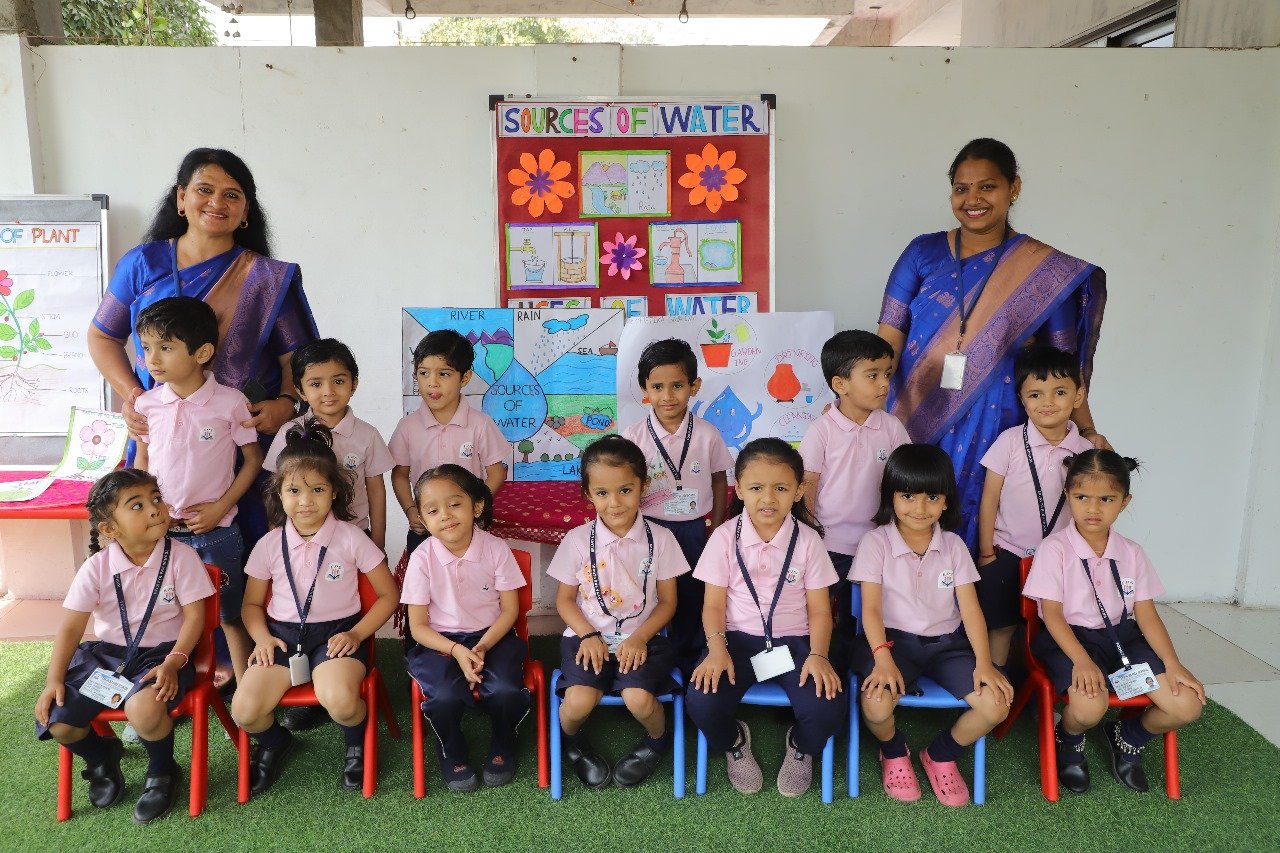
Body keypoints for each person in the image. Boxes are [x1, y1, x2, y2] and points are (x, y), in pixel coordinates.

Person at [877, 138, 1109, 550]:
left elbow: (1062, 367)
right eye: (961, 189)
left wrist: (1087, 430)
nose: (973, 199)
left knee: (985, 520)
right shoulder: (922, 252)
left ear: (1013, 188)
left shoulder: (1043, 270)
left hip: (996, 424)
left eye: (987, 187)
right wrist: (853, 407)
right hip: (915, 413)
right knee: (913, 515)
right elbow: (887, 342)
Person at [87, 147, 319, 549]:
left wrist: (286, 403)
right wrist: (135, 397)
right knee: (153, 547)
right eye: (204, 190)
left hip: (243, 436)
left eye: (232, 195)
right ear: (181, 198)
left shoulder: (265, 279)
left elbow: (300, 358)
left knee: (246, 555)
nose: (217, 202)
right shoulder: (142, 264)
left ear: (246, 212)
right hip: (160, 432)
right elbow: (102, 336)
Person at [35, 469, 214, 823]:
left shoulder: (182, 557)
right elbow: (71, 627)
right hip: (107, 658)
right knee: (59, 720)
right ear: (110, 529)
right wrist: (53, 680)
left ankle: (162, 770)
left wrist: (174, 662)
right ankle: (101, 757)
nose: (154, 508)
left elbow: (195, 619)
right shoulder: (96, 568)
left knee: (143, 708)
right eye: (137, 505)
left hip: (164, 655)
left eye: (156, 498)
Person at [230, 423, 398, 794]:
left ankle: (356, 744)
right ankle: (276, 742)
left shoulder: (352, 538)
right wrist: (262, 639)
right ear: (279, 493)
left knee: (340, 701)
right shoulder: (269, 544)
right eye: (294, 490)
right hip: (280, 638)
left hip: (338, 635)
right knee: (245, 710)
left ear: (334, 491)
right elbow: (251, 604)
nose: (306, 501)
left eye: (317, 489)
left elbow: (389, 595)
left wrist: (356, 633)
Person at [1024, 450, 1204, 794]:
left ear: (1124, 502)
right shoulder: (1054, 549)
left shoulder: (1132, 552)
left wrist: (1173, 663)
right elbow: (1052, 614)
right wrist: (1081, 661)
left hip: (1123, 639)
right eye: (1082, 497)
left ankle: (1129, 735)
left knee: (1187, 706)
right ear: (1067, 495)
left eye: (1106, 499)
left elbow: (1146, 614)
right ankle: (1069, 739)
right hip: (1070, 640)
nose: (1093, 508)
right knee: (1089, 708)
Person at [851, 444, 1013, 807]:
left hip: (947, 645)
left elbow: (971, 610)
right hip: (889, 644)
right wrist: (882, 658)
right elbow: (870, 610)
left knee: (995, 705)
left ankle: (940, 754)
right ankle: (894, 750)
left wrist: (984, 663)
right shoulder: (874, 542)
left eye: (932, 497)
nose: (920, 508)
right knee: (875, 706)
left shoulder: (953, 546)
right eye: (907, 496)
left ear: (945, 502)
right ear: (891, 496)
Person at [687, 437, 844, 798]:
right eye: (756, 487)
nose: (768, 498)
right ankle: (734, 742)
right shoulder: (724, 538)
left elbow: (821, 610)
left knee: (827, 705)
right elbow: (713, 606)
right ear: (740, 489)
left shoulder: (808, 541)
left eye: (781, 488)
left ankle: (801, 746)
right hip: (734, 642)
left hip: (795, 644)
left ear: (798, 490)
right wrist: (716, 649)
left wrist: (818, 655)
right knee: (702, 700)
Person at [133, 296, 263, 687]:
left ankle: (247, 694)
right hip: (163, 536)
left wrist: (220, 507)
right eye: (147, 348)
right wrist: (144, 516)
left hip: (217, 534)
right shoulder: (147, 405)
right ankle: (166, 688)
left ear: (202, 353)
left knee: (230, 615)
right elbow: (142, 464)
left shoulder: (230, 402)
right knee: (167, 616)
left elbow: (252, 461)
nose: (153, 359)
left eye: (165, 347)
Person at [549, 435, 690, 790]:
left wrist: (640, 637)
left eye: (625, 490)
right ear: (588, 494)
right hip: (586, 636)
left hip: (644, 637)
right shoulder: (577, 539)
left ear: (643, 486)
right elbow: (564, 601)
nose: (614, 503)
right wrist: (588, 635)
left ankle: (657, 741)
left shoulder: (662, 539)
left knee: (638, 700)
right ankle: (571, 741)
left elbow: (668, 602)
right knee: (578, 702)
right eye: (602, 493)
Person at [402, 465, 531, 792]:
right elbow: (417, 627)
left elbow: (510, 611)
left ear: (477, 506)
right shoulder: (421, 558)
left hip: (493, 636)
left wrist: (482, 647)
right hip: (439, 642)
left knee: (505, 690)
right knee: (444, 696)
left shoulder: (496, 549)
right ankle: (452, 748)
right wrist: (457, 650)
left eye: (454, 504)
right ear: (422, 519)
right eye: (433, 510)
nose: (445, 515)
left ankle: (504, 740)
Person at [975, 346, 1095, 667]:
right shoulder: (1010, 441)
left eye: (1060, 392)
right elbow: (989, 499)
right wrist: (986, 552)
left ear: (1078, 396)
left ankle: (1047, 681)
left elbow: (1091, 509)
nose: (1048, 402)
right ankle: (997, 681)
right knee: (1002, 625)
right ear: (1022, 399)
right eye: (1035, 394)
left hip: (1061, 559)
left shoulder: (1086, 453)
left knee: (1058, 624)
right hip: (1008, 551)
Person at [799, 330, 910, 664]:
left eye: (887, 374)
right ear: (840, 384)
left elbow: (905, 480)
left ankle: (859, 672)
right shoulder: (821, 430)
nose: (884, 384)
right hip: (829, 543)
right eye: (872, 375)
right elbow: (808, 485)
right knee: (818, 612)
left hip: (878, 543)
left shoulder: (892, 428)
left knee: (864, 615)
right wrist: (809, 535)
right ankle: (819, 669)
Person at [622, 337, 731, 674]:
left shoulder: (708, 434)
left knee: (691, 594)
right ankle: (648, 654)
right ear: (645, 389)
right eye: (657, 387)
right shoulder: (633, 437)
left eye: (677, 385)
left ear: (694, 386)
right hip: (649, 529)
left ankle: (690, 659)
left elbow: (719, 480)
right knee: (648, 593)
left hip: (694, 530)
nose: (667, 395)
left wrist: (716, 527)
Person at [390, 330, 508, 559]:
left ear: (465, 377)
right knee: (424, 579)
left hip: (468, 528)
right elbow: (400, 475)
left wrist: (476, 508)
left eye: (443, 374)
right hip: (425, 528)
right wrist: (411, 511)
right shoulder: (407, 427)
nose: (432, 383)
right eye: (423, 373)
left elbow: (496, 473)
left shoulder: (480, 424)